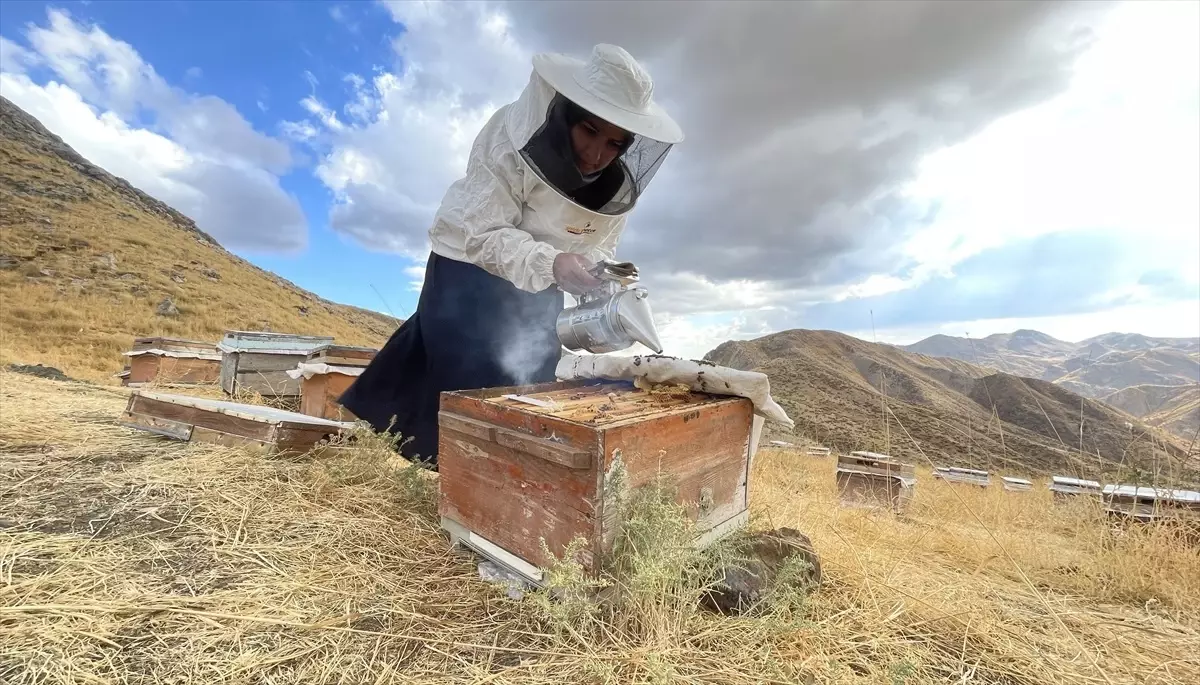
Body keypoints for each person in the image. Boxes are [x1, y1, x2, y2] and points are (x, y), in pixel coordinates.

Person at [338, 43, 683, 466]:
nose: (597, 154)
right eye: (589, 131)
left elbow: (598, 242)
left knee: (534, 374)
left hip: (545, 278)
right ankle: (441, 473)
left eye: (614, 143)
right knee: (463, 370)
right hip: (469, 264)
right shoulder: (508, 134)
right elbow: (482, 233)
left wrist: (597, 275)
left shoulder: (614, 185)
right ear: (565, 115)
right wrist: (552, 262)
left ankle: (505, 477)